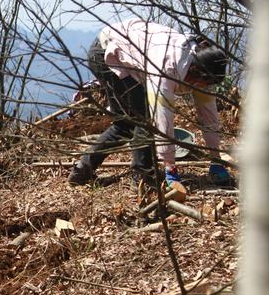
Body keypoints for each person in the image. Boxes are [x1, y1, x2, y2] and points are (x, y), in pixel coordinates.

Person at [67, 18, 232, 188]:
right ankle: (142, 176)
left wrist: (216, 159)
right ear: (195, 71)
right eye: (201, 84)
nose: (200, 88)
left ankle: (82, 171)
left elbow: (208, 116)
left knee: (126, 123)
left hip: (130, 49)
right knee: (141, 119)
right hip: (107, 52)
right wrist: (170, 167)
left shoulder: (203, 66)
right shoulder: (166, 69)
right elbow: (162, 121)